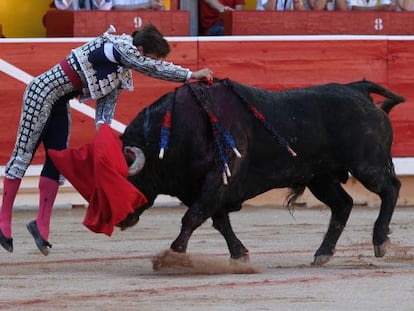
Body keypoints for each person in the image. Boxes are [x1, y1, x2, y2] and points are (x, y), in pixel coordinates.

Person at [0, 24, 213, 256]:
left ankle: (41, 226)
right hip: (40, 93)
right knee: (23, 154)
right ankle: (3, 222)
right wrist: (190, 75)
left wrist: (106, 142)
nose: (152, 62)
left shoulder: (120, 71)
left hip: (60, 102)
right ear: (139, 50)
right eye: (152, 58)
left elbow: (104, 114)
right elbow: (151, 68)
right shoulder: (115, 47)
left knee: (57, 158)